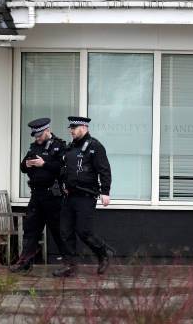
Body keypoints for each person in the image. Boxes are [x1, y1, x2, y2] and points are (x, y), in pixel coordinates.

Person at [52, 116, 114, 277]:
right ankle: (69, 266)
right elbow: (64, 169)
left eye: (74, 128)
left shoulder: (95, 146)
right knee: (65, 232)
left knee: (84, 231)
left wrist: (105, 192)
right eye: (70, 128)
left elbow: (104, 170)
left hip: (86, 196)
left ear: (84, 128)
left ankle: (103, 253)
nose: (71, 131)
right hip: (69, 196)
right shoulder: (71, 147)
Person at [11, 118, 67, 273]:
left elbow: (63, 169)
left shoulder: (59, 146)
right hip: (36, 194)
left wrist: (44, 164)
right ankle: (25, 262)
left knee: (58, 230)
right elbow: (23, 166)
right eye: (35, 136)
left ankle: (69, 263)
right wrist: (27, 165)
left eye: (39, 135)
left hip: (53, 195)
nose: (37, 139)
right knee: (30, 229)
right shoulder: (34, 147)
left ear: (47, 130)